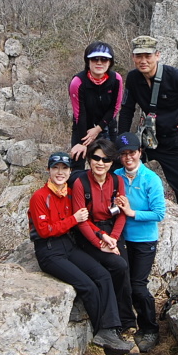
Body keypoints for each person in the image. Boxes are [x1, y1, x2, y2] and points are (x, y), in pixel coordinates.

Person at [117, 35, 178, 270]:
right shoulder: (133, 79)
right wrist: (121, 141)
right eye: (138, 56)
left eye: (147, 56)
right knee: (115, 173)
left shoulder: (174, 76)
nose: (143, 61)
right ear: (133, 58)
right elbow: (127, 109)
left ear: (157, 56)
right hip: (150, 142)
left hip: (177, 144)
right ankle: (114, 233)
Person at [28, 151, 133, 355]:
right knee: (88, 286)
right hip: (49, 252)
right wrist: (73, 219)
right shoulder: (40, 197)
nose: (60, 172)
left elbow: (85, 221)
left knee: (103, 276)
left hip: (69, 245)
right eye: (55, 168)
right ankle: (101, 331)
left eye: (64, 168)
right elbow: (45, 230)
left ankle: (111, 330)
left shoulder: (68, 193)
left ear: (69, 172)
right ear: (49, 170)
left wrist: (103, 237)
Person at [71, 138, 135, 336]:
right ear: (89, 159)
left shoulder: (117, 182)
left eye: (106, 160)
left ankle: (127, 322)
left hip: (112, 230)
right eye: (96, 158)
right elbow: (81, 219)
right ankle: (115, 323)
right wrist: (100, 242)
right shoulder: (80, 183)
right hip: (89, 232)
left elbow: (122, 212)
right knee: (116, 266)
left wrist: (114, 238)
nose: (100, 163)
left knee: (123, 270)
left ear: (111, 163)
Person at [113, 131, 166, 353]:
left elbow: (159, 213)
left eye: (132, 153)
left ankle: (150, 327)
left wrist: (132, 212)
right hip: (122, 239)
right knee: (123, 283)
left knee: (138, 286)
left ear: (140, 153)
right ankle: (126, 325)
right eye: (124, 154)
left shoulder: (151, 179)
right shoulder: (115, 175)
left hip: (144, 240)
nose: (128, 158)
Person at [68, 41, 123, 171]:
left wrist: (98, 129)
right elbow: (79, 113)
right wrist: (83, 142)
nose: (99, 63)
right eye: (95, 59)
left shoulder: (116, 80)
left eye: (104, 59)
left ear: (110, 62)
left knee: (111, 162)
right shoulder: (78, 82)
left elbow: (115, 108)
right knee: (78, 160)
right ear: (88, 61)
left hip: (107, 123)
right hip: (83, 125)